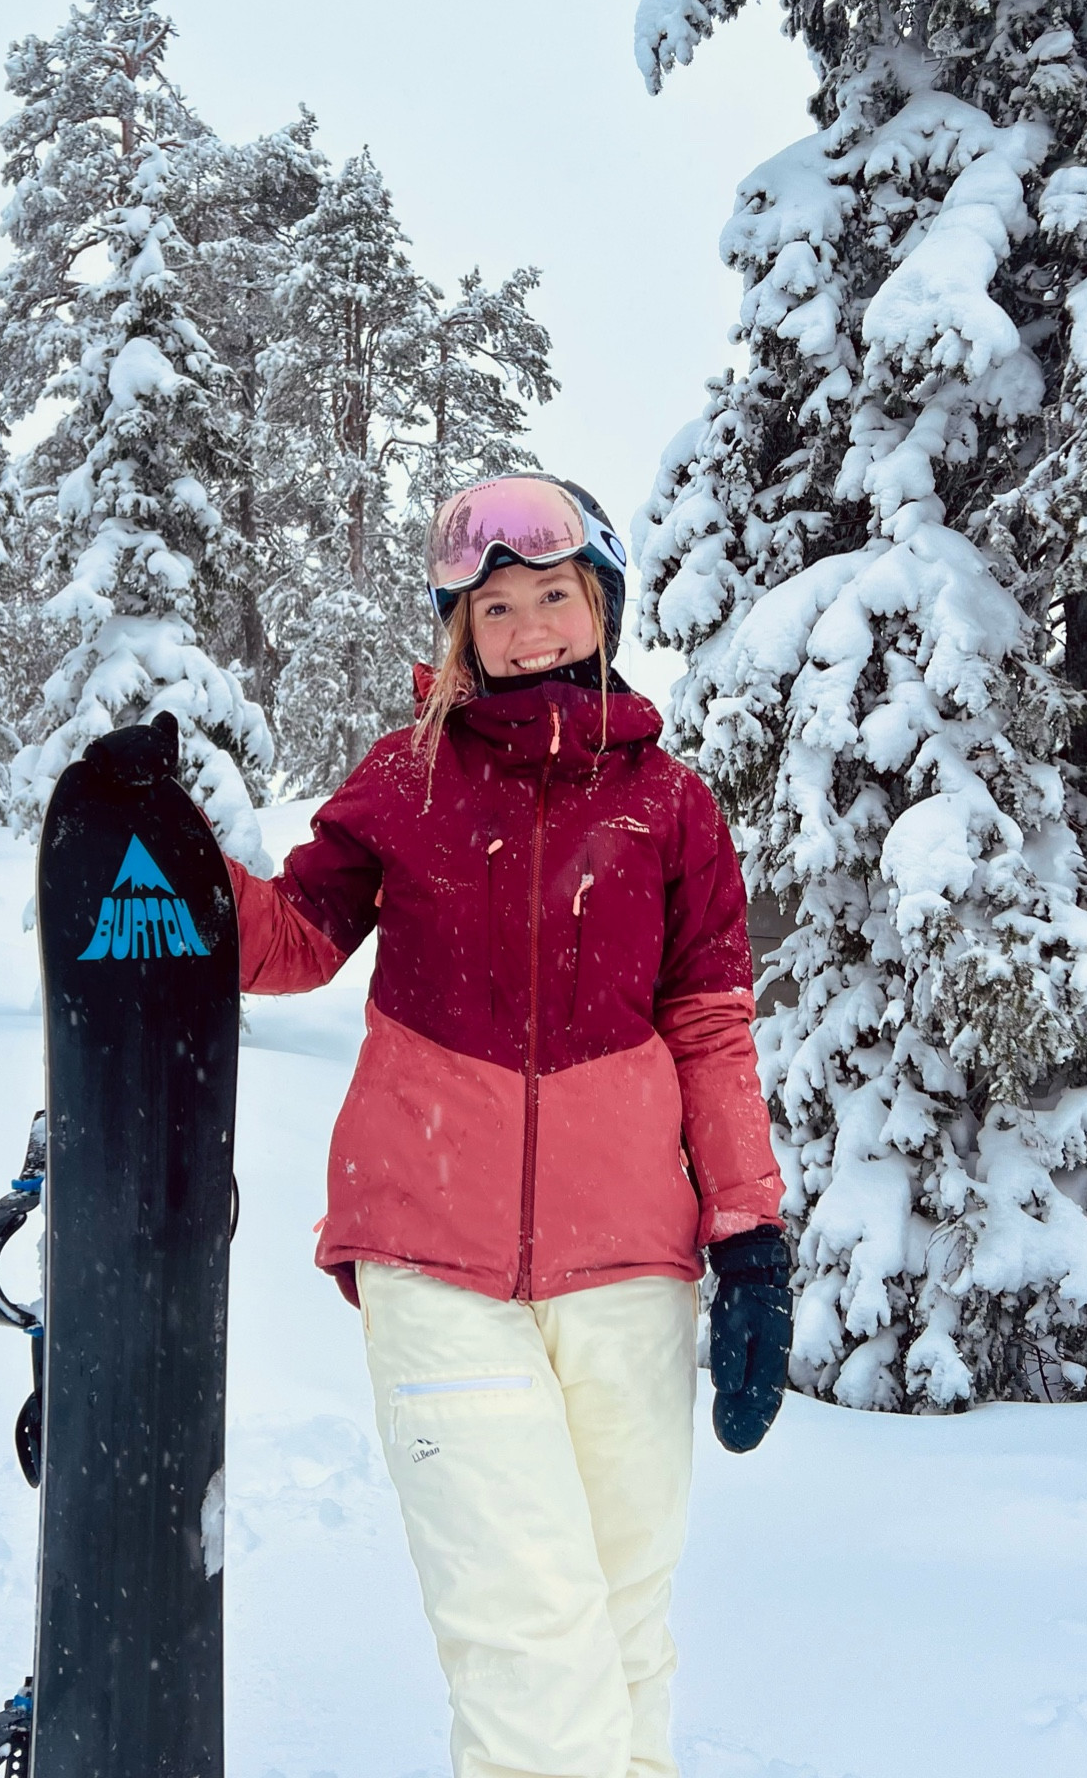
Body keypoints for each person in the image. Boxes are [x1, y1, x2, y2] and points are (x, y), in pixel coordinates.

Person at [223, 474, 792, 1778]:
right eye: (496, 607)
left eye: (553, 595)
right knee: (531, 1650)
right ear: (458, 631)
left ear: (601, 606)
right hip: (433, 1259)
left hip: (632, 1276)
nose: (529, 627)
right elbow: (295, 940)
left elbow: (711, 1028)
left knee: (622, 1635)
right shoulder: (408, 777)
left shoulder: (674, 809)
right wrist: (166, 863)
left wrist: (750, 1235)